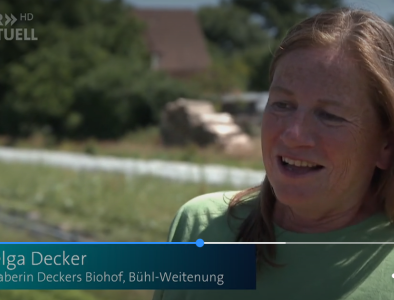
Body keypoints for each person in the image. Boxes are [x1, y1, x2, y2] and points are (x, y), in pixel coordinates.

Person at [153, 7, 394, 300]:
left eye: (329, 115)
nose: (293, 134)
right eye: (282, 104)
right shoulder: (202, 227)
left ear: (386, 144)